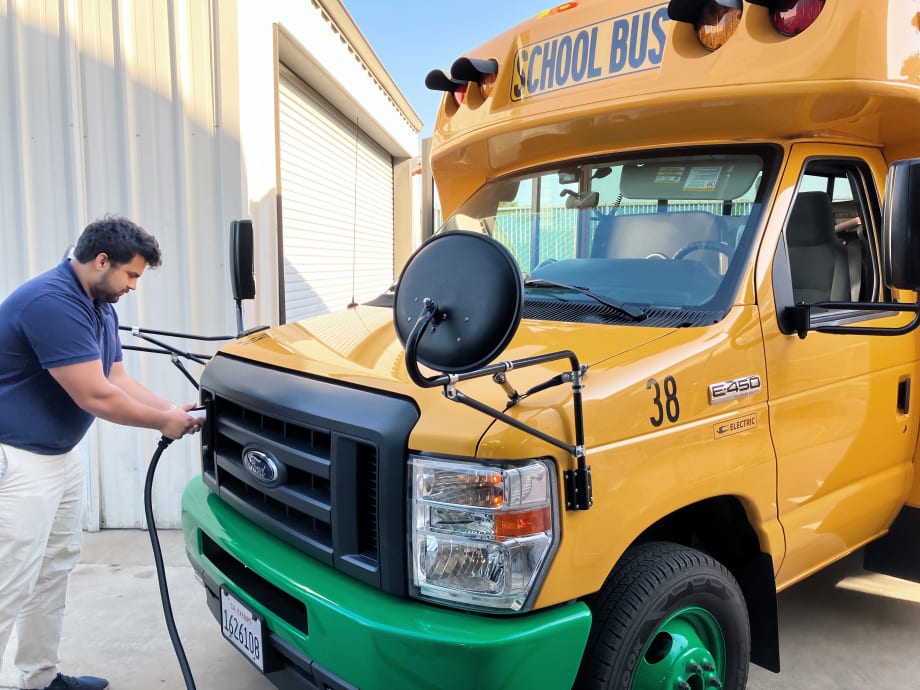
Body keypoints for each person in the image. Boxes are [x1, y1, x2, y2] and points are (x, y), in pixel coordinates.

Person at [0, 216, 202, 690]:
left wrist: (172, 409)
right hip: (17, 461)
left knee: (54, 569)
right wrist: (163, 423)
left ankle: (41, 678)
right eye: (131, 275)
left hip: (58, 456)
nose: (134, 286)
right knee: (10, 578)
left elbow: (117, 378)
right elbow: (96, 397)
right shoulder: (52, 302)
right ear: (101, 260)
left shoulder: (99, 302)